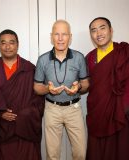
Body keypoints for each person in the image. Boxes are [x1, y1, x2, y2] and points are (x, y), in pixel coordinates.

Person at [34, 20, 89, 160]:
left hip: (74, 108)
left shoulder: (79, 57)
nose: (60, 38)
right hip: (52, 109)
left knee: (80, 153)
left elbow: (86, 83)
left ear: (70, 37)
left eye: (64, 34)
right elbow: (37, 87)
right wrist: (48, 89)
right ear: (51, 36)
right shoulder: (43, 60)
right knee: (52, 155)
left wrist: (79, 87)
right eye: (56, 34)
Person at [0, 29, 45, 160]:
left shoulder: (29, 68)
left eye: (11, 42)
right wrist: (0, 114)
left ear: (17, 44)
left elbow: (39, 99)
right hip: (2, 129)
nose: (7, 46)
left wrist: (26, 113)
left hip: (26, 127)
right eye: (3, 43)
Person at [86, 17, 129, 160]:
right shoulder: (89, 58)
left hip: (120, 112)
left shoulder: (124, 52)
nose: (98, 33)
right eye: (94, 30)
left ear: (111, 30)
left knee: (120, 150)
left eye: (102, 28)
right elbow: (86, 85)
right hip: (97, 112)